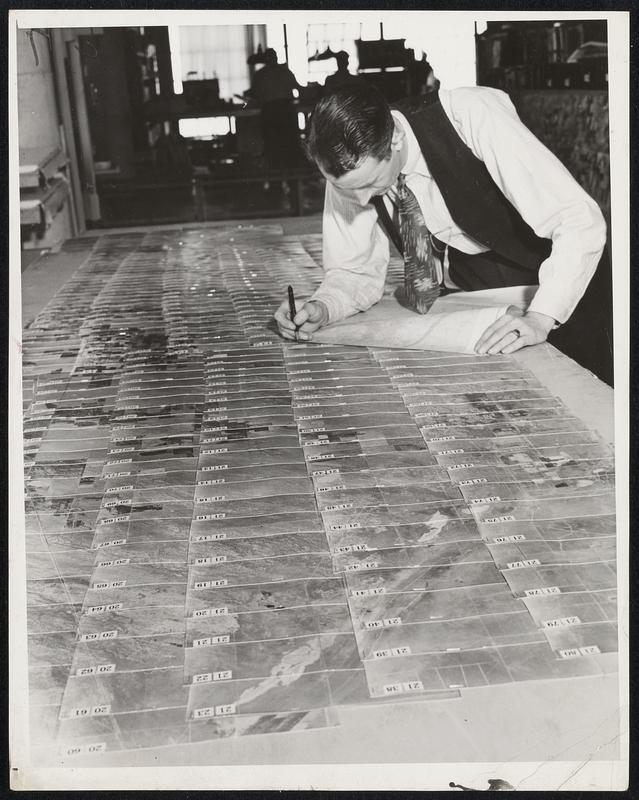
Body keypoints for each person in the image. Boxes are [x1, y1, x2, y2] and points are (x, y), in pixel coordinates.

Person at [274, 82, 607, 357]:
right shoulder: (351, 172)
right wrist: (323, 307)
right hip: (482, 296)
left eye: (371, 184)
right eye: (348, 189)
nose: (361, 201)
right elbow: (353, 271)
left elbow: (577, 220)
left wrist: (541, 316)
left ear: (395, 140)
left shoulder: (472, 113)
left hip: (563, 289)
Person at [248, 48, 302, 172]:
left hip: (271, 112)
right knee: (290, 146)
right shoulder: (284, 71)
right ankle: (292, 181)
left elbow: (254, 95)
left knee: (273, 148)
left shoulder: (260, 75)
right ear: (275, 58)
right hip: (285, 111)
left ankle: (276, 183)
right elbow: (298, 88)